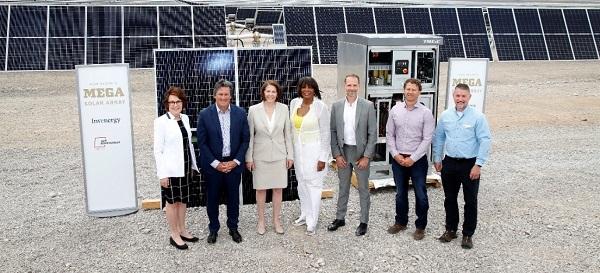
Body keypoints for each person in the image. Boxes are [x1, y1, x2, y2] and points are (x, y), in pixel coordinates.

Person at [433, 83, 491, 249]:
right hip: (449, 162)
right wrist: (438, 158)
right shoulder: (445, 116)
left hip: (469, 164)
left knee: (470, 200)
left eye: (463, 96)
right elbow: (439, 138)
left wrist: (478, 164)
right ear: (453, 96)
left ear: (469, 97)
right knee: (449, 199)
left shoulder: (478, 117)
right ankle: (451, 229)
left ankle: (467, 234)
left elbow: (485, 140)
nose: (460, 99)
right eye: (457, 96)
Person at [197, 79, 250, 244]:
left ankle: (233, 227)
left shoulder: (240, 113)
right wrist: (216, 164)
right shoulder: (204, 114)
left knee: (233, 199)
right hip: (213, 166)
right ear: (215, 95)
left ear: (231, 96)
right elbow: (202, 143)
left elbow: (245, 140)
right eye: (220, 94)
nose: (223, 97)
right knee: (212, 199)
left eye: (226, 94)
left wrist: (235, 161)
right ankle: (213, 229)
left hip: (233, 165)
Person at [385, 78, 435, 240]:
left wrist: (413, 158)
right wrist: (395, 154)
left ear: (419, 92)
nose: (410, 92)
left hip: (417, 161)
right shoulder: (395, 110)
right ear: (404, 90)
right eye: (408, 89)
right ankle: (400, 222)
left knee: (420, 193)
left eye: (414, 89)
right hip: (398, 159)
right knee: (400, 193)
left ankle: (420, 226)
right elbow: (389, 134)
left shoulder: (426, 113)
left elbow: (427, 139)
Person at [327, 74, 377, 236]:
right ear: (345, 86)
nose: (352, 88)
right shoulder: (336, 106)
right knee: (343, 186)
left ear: (359, 86)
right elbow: (333, 131)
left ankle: (364, 221)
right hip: (343, 152)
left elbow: (372, 134)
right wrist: (337, 154)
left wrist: (367, 156)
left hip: (360, 153)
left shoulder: (368, 106)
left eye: (354, 85)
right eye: (349, 85)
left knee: (363, 188)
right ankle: (340, 218)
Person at [153, 86, 199, 250]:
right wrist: (162, 175)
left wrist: (193, 165)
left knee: (183, 201)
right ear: (167, 104)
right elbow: (158, 151)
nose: (175, 104)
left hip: (185, 169)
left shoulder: (185, 118)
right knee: (172, 203)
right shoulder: (160, 122)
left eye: (178, 101)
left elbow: (189, 144)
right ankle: (174, 234)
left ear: (182, 103)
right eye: (172, 102)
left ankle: (182, 229)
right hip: (170, 171)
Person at [245, 80, 294, 235]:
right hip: (260, 156)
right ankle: (261, 221)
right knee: (260, 190)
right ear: (263, 92)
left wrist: (290, 155)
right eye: (268, 91)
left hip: (279, 155)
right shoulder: (253, 110)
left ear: (277, 93)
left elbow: (288, 135)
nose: (271, 94)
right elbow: (250, 136)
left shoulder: (284, 109)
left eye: (273, 91)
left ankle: (276, 221)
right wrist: (249, 157)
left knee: (278, 190)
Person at [289, 76, 331, 236]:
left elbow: (326, 134)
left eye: (310, 87)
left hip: (314, 153)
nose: (306, 90)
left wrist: (323, 158)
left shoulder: (320, 107)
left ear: (315, 89)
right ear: (299, 89)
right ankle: (305, 214)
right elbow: (292, 129)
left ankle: (312, 221)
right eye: (303, 87)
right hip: (298, 153)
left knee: (314, 186)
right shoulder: (294, 103)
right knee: (302, 184)